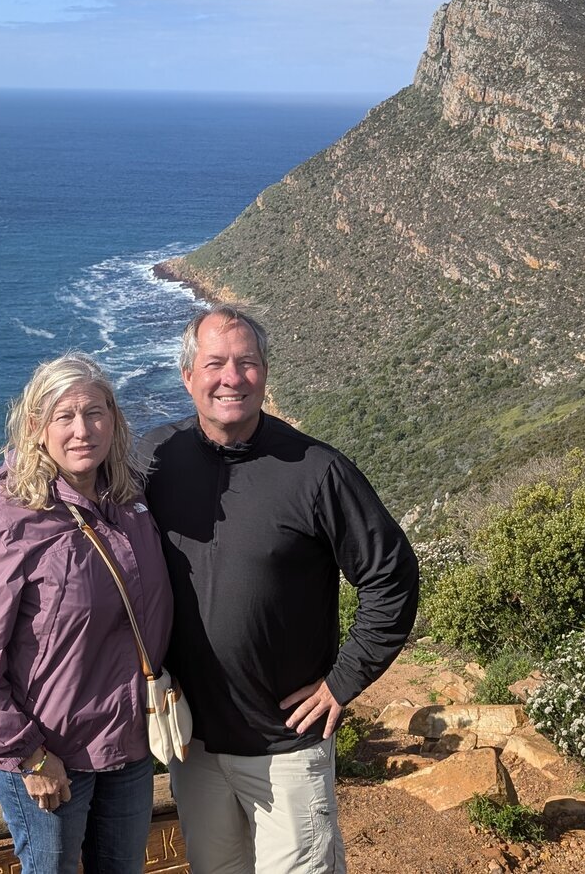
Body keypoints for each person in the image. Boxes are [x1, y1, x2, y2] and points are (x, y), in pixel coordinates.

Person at [140, 305, 420, 874]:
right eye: (215, 363)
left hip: (286, 744)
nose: (231, 377)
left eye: (246, 363)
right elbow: (72, 495)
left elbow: (391, 577)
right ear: (187, 376)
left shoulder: (315, 470)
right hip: (192, 742)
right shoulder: (151, 461)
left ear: (265, 373)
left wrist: (343, 682)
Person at [0, 353, 172, 874]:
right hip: (49, 753)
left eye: (94, 413)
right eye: (63, 416)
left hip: (128, 742)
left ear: (114, 420)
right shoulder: (3, 522)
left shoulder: (130, 504)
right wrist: (27, 754)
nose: (82, 430)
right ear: (35, 428)